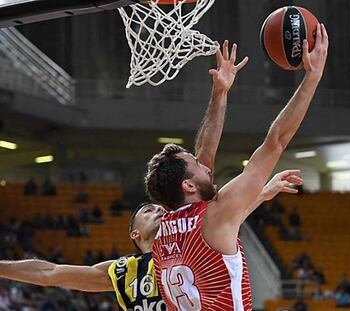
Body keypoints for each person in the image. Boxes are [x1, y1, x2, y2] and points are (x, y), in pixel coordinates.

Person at [0, 41, 302, 311]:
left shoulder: (189, 224)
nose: (157, 209)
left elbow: (205, 157)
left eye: (158, 206)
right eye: (146, 210)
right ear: (134, 234)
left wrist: (219, 93)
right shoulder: (125, 273)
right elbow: (50, 273)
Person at [145, 24, 328, 310]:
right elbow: (275, 141)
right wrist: (312, 77)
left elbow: (204, 154)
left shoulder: (163, 232)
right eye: (197, 167)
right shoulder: (215, 214)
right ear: (188, 186)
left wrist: (220, 92)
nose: (206, 167)